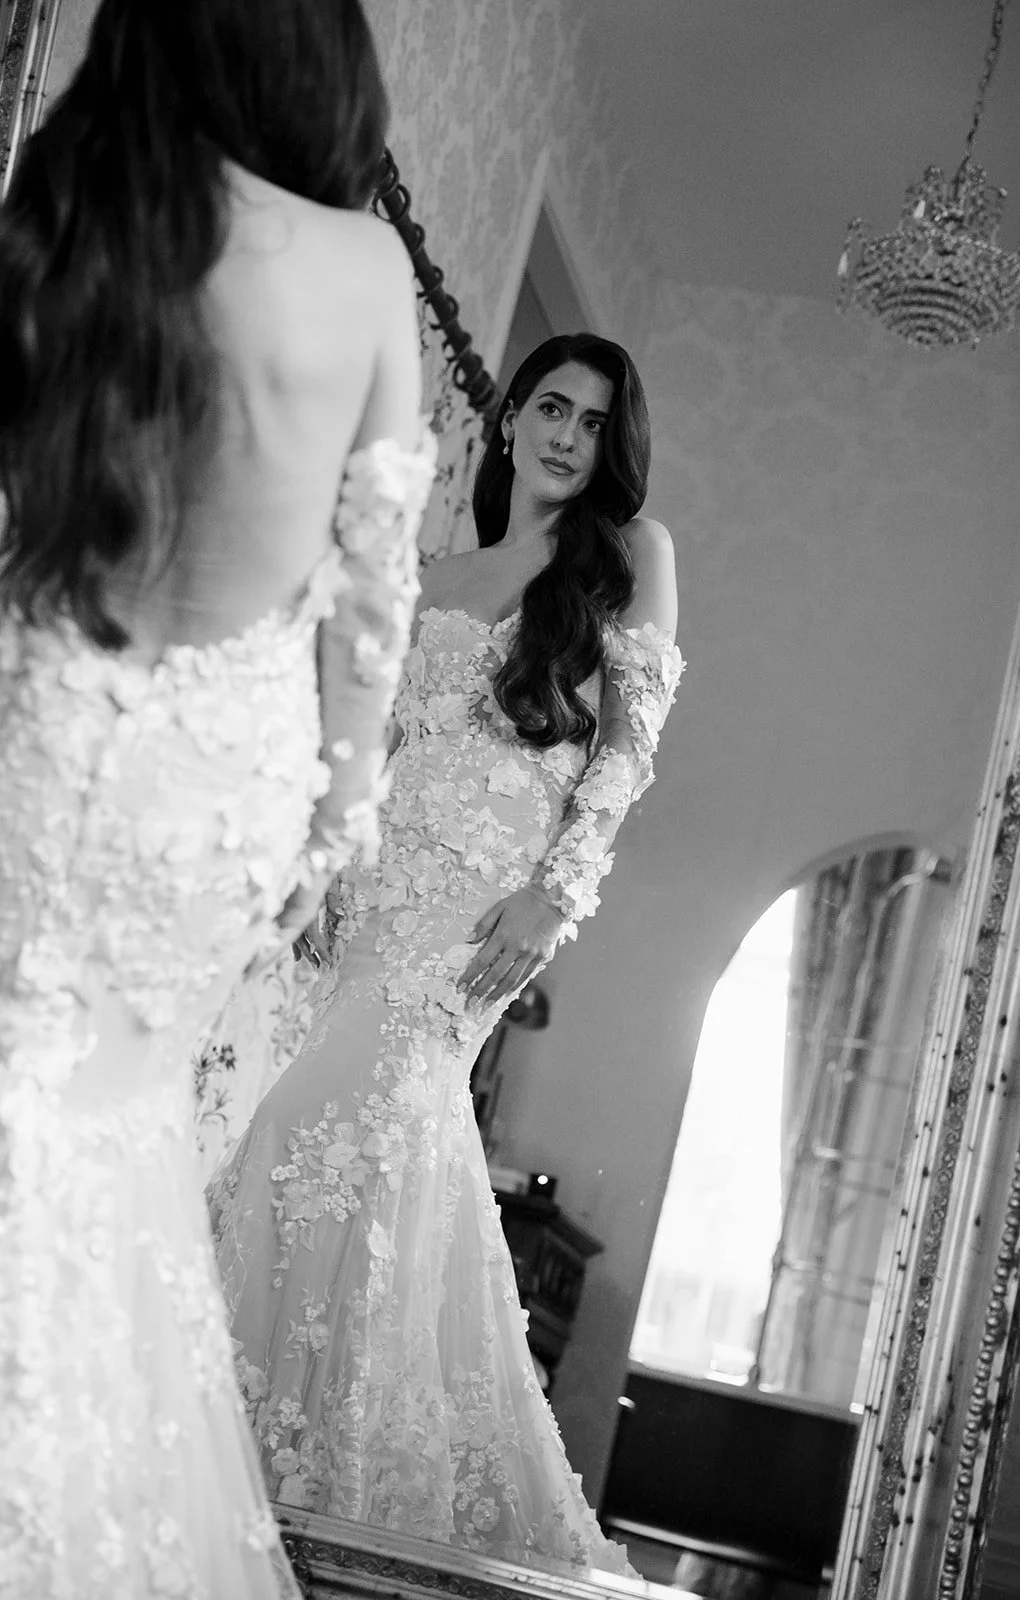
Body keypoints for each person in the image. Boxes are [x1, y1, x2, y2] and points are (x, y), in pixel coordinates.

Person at [0, 0, 434, 1594]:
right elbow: (374, 602)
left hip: (45, 711)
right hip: (225, 784)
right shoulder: (364, 265)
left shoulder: (71, 206)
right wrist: (335, 828)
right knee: (110, 1132)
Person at [210, 333, 683, 1572]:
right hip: (372, 907)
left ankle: (311, 1480)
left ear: (612, 443)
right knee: (344, 1147)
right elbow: (363, 746)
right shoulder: (439, 570)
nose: (569, 435)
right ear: (512, 417)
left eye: (593, 419)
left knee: (324, 1129)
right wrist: (319, 869)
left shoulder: (631, 559)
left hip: (477, 921)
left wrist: (555, 898)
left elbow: (622, 762)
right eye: (551, 407)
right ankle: (298, 1478)